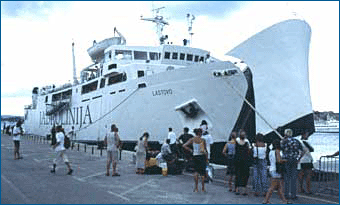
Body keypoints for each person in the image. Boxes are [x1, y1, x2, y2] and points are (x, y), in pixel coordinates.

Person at [263, 140, 291, 204]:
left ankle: (284, 200)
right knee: (273, 187)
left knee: (279, 187)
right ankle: (266, 200)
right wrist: (286, 160)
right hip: (276, 170)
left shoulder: (271, 152)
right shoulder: (277, 151)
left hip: (272, 169)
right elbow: (279, 160)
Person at [280, 129, 303, 200]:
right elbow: (302, 150)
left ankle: (286, 194)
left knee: (286, 177)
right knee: (293, 177)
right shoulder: (296, 141)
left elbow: (279, 149)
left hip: (286, 160)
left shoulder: (284, 141)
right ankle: (293, 194)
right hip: (294, 160)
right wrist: (299, 158)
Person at [183, 128, 208, 192]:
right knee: (202, 173)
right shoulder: (203, 140)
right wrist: (207, 158)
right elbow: (205, 150)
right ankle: (203, 188)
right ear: (199, 133)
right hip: (202, 156)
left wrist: (191, 150)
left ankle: (196, 187)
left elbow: (184, 145)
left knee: (196, 172)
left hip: (195, 156)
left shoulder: (192, 139)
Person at [234, 130, 251, 195]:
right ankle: (244, 190)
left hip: (238, 161)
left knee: (238, 174)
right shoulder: (246, 143)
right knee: (245, 175)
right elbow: (249, 151)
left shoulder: (236, 142)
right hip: (245, 161)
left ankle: (237, 189)